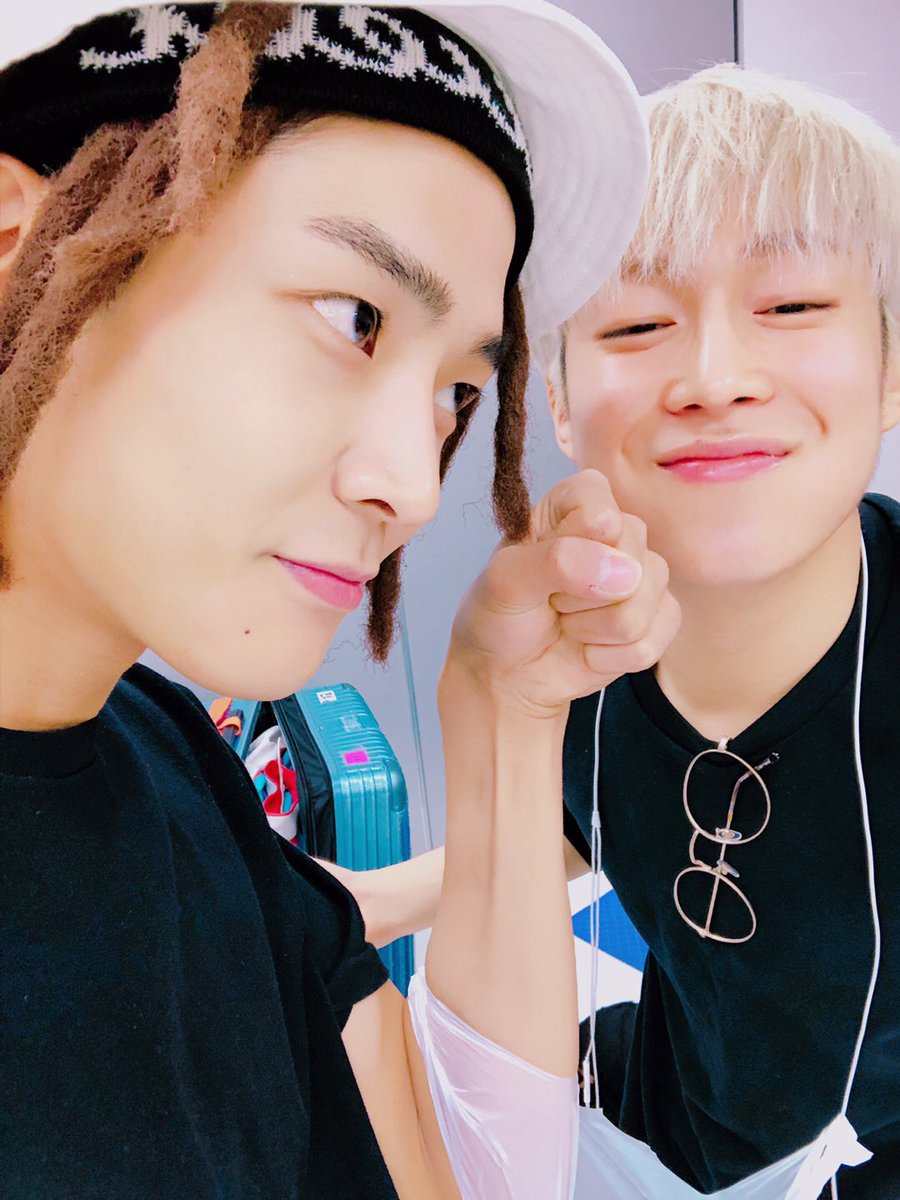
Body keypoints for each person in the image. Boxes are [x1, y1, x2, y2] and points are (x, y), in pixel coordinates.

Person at [0, 3, 680, 1198]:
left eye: (456, 395)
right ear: (23, 239)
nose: (412, 486)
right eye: (353, 317)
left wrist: (508, 708)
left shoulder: (172, 765)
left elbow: (471, 1178)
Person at [348, 64, 900, 1200]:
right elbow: (594, 822)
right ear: (556, 399)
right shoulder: (573, 634)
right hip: (655, 1114)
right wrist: (370, 900)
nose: (714, 378)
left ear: (891, 370)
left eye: (792, 306)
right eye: (640, 323)